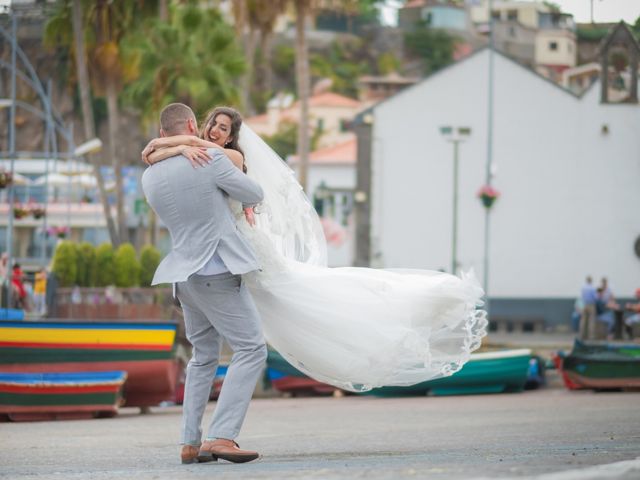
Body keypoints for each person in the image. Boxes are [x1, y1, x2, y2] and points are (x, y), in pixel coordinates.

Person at [142, 104, 487, 387]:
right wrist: (178, 147)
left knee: (297, 301)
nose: (216, 132)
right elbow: (169, 158)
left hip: (238, 253)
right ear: (200, 125)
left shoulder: (227, 159)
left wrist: (175, 145)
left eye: (224, 129)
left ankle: (372, 331)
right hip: (221, 260)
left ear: (232, 137)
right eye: (212, 126)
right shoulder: (199, 158)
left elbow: (200, 158)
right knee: (278, 316)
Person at [141, 103, 266, 465]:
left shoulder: (150, 175)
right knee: (251, 349)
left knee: (203, 358)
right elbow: (254, 194)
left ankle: (189, 443)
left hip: (183, 278)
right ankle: (222, 437)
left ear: (165, 134)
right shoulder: (210, 161)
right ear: (193, 126)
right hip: (216, 271)